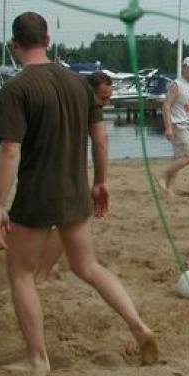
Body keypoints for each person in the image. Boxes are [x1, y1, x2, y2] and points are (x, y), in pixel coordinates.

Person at [0, 12, 157, 372]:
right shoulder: (80, 84)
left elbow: (10, 150)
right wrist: (101, 181)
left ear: (15, 45)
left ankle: (37, 359)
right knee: (88, 266)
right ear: (48, 41)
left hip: (37, 194)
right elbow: (100, 137)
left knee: (21, 274)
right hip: (75, 189)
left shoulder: (16, 89)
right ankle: (138, 325)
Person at [34, 72, 115, 282]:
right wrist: (100, 181)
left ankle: (41, 266)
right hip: (59, 169)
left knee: (50, 220)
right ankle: (41, 273)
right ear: (90, 92)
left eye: (109, 97)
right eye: (103, 98)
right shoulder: (88, 104)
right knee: (68, 222)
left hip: (39, 166)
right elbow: (101, 140)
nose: (106, 103)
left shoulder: (65, 99)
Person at [156, 56, 189, 196]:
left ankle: (169, 189)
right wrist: (168, 127)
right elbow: (166, 106)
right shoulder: (176, 85)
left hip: (188, 125)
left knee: (178, 158)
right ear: (183, 68)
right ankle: (162, 176)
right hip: (178, 124)